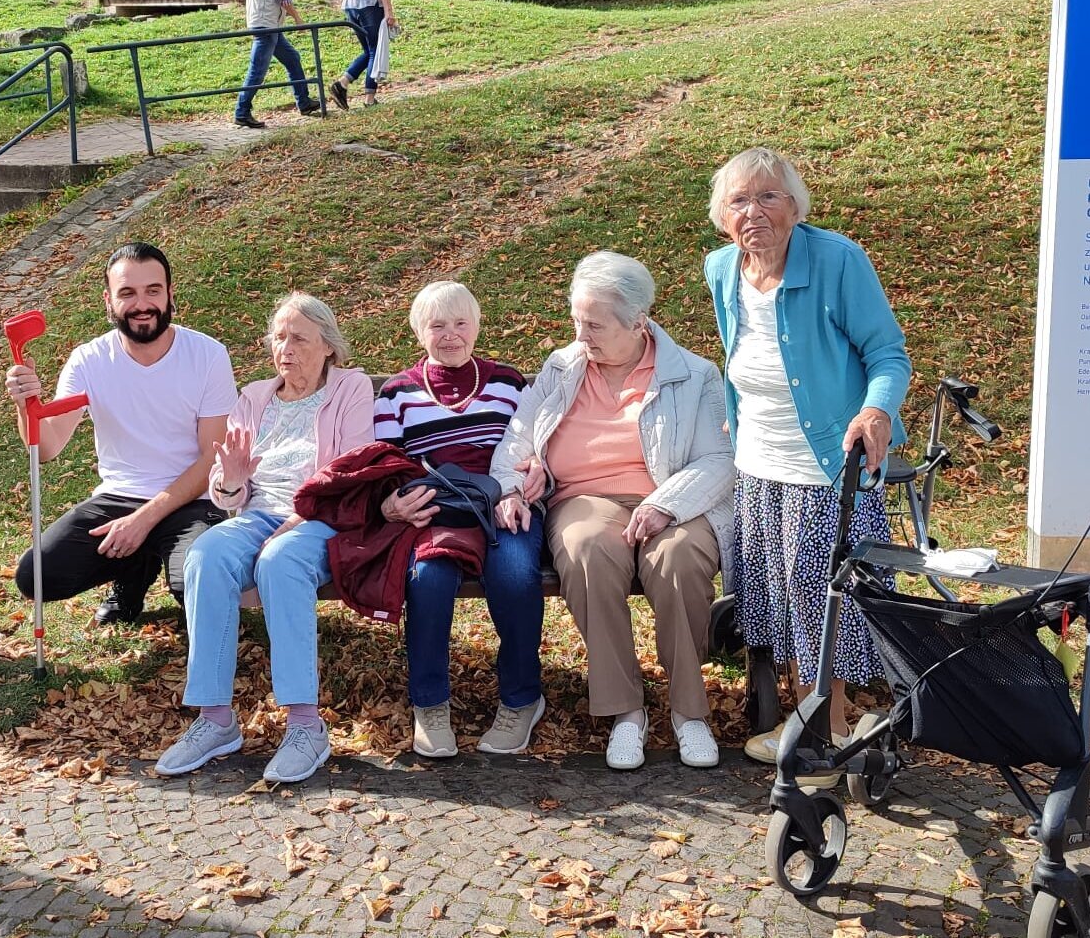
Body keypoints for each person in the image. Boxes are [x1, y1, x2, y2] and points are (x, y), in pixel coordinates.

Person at [701, 148, 911, 765]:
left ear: (795, 206)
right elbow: (742, 352)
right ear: (722, 215)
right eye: (739, 200)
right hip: (757, 459)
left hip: (827, 461)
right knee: (774, 589)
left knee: (822, 591)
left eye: (769, 196)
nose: (754, 211)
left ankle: (830, 727)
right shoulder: (722, 269)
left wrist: (875, 412)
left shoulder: (836, 260)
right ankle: (804, 715)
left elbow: (888, 352)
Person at [492, 252, 734, 771]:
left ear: (638, 322)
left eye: (595, 324)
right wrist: (516, 482)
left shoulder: (694, 375)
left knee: (678, 561)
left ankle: (689, 713)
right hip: (585, 499)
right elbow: (516, 438)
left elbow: (720, 459)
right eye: (577, 320)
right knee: (587, 550)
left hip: (672, 497)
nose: (582, 334)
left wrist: (665, 504)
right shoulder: (561, 367)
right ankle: (627, 712)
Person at [156, 293, 375, 784]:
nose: (286, 348)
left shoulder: (350, 388)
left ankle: (305, 726)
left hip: (319, 518)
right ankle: (215, 720)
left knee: (280, 562)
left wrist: (302, 514)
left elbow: (354, 470)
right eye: (279, 337)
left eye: (299, 338)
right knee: (204, 556)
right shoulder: (254, 397)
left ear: (328, 347)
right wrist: (231, 479)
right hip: (258, 515)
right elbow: (226, 491)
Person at [3, 242, 235, 627]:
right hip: (118, 496)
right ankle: (135, 569)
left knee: (194, 583)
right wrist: (24, 401)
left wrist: (143, 520)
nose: (141, 303)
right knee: (36, 577)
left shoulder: (208, 355)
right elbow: (45, 447)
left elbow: (211, 460)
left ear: (170, 294)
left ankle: (145, 556)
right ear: (108, 301)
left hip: (191, 499)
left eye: (152, 290)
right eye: (127, 293)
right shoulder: (89, 360)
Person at [372, 281, 544, 759]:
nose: (450, 335)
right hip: (434, 513)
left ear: (477, 326)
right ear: (418, 332)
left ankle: (521, 699)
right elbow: (385, 464)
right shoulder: (396, 393)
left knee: (513, 574)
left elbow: (537, 442)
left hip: (503, 503)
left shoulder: (509, 382)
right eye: (437, 325)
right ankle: (429, 705)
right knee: (427, 579)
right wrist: (393, 504)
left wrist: (534, 472)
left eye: (461, 323)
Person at [234, 0, 322, 129]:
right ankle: (241, 111)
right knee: (258, 69)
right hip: (267, 23)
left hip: (262, 20)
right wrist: (298, 17)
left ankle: (304, 102)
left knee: (292, 58)